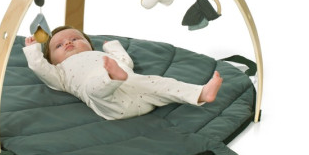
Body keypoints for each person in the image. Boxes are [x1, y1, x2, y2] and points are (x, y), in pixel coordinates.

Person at [23, 26, 223, 120]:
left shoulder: (101, 55)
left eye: (75, 39)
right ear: (51, 59)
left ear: (89, 45)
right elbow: (40, 68)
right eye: (59, 45)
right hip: (111, 105)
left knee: (160, 83)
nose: (68, 42)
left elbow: (125, 61)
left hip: (138, 93)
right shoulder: (59, 72)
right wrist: (33, 50)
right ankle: (111, 77)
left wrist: (112, 47)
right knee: (92, 89)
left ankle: (200, 93)